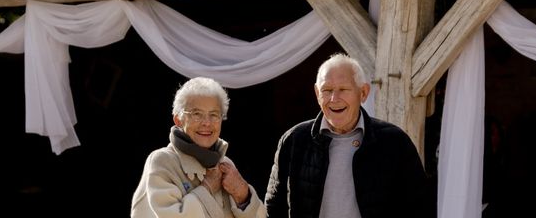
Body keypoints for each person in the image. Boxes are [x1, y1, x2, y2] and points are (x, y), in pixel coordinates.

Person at [265, 53, 434, 218]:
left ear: (363, 93)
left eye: (343, 89)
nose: (334, 98)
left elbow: (419, 208)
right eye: (327, 90)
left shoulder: (395, 142)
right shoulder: (294, 140)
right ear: (317, 94)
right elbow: (274, 208)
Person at [131, 76, 266, 218]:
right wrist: (206, 188)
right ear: (178, 120)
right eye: (197, 114)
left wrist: (243, 195)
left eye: (214, 115)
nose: (206, 123)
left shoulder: (226, 165)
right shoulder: (163, 161)